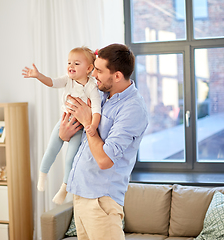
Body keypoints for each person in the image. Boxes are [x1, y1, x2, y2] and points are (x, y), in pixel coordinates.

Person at [59, 43, 149, 239]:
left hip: (101, 200)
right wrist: (65, 134)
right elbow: (76, 136)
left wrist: (87, 121)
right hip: (80, 193)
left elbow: (104, 160)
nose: (93, 75)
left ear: (116, 76)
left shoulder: (132, 109)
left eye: (99, 70)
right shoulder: (100, 94)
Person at [22, 47, 101, 205]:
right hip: (64, 121)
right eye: (69, 62)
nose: (71, 66)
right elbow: (52, 82)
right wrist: (38, 76)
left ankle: (64, 187)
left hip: (79, 127)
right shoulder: (67, 80)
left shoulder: (92, 87)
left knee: (70, 158)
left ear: (89, 68)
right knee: (51, 149)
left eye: (76, 63)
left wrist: (92, 126)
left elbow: (97, 110)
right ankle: (42, 175)